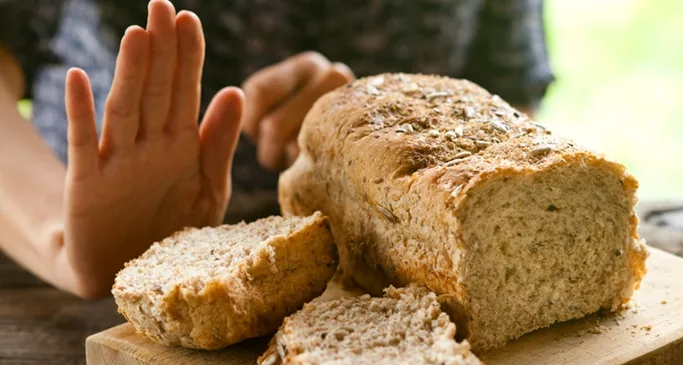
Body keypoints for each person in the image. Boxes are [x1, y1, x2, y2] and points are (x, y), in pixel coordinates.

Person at [0, 0, 554, 299]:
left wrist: (378, 122)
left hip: (393, 271)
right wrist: (59, 235)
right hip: (57, 249)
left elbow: (505, 97)